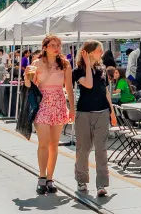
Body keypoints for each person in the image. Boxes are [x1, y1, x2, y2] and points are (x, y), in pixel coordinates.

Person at [24, 35, 75, 195]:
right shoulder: (36, 63)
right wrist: (26, 76)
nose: (56, 47)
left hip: (59, 103)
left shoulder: (65, 64)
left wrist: (72, 108)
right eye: (53, 45)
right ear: (45, 47)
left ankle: (50, 178)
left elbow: (69, 88)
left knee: (54, 144)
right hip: (42, 104)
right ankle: (41, 177)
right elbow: (29, 85)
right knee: (43, 143)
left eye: (58, 45)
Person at [73, 39, 116, 198]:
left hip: (102, 112)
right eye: (99, 51)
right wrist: (87, 65)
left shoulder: (102, 69)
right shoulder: (78, 71)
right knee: (83, 149)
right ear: (89, 53)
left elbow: (105, 92)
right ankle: (82, 180)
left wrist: (112, 112)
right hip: (84, 113)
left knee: (101, 149)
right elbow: (89, 84)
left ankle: (102, 184)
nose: (102, 54)